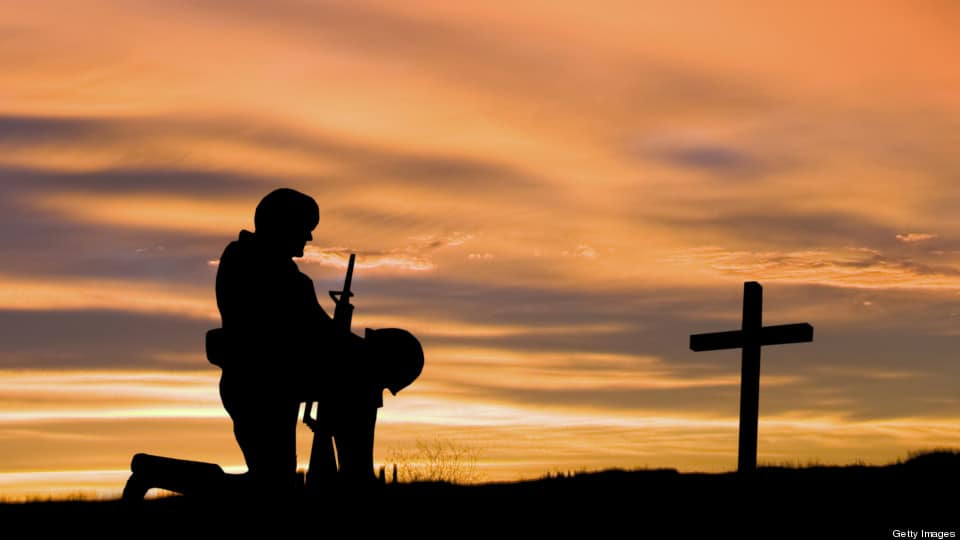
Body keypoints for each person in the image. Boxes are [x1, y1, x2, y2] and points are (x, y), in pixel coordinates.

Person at [214, 188, 369, 494]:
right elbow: (321, 333)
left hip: (264, 386)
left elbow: (317, 333)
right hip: (261, 388)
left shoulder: (248, 261)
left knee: (273, 479)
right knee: (271, 482)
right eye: (305, 228)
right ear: (282, 226)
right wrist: (363, 349)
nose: (309, 238)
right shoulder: (278, 276)